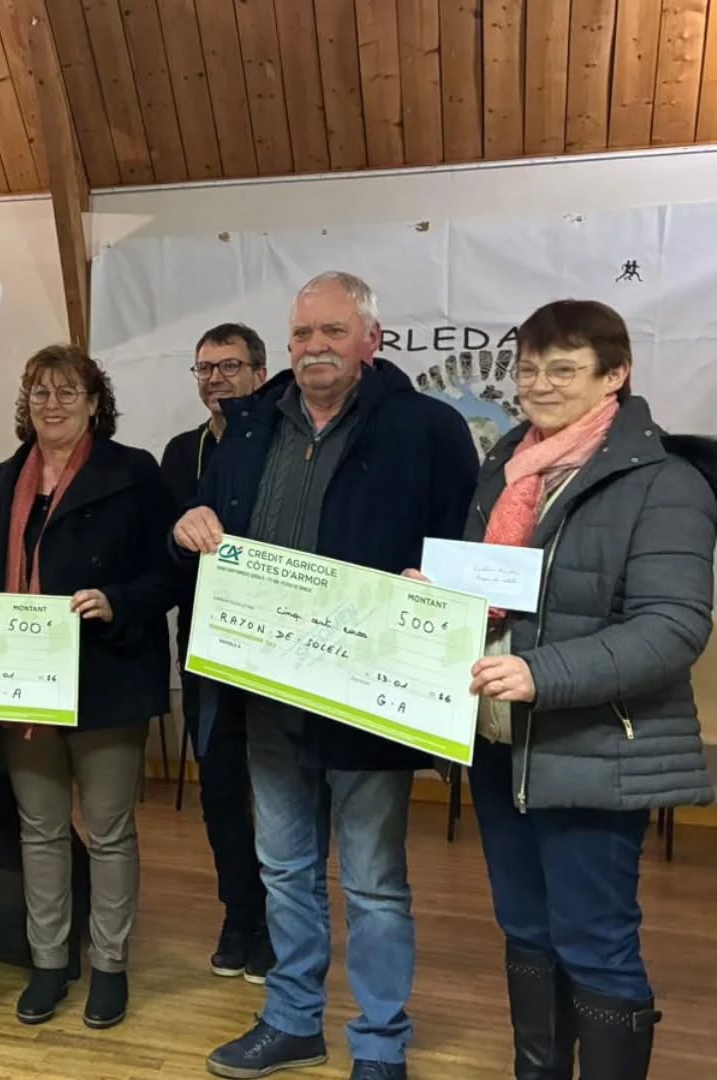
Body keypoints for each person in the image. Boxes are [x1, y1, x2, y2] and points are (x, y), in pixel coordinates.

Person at [175, 272, 477, 1080]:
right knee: (284, 869)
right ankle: (292, 1020)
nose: (315, 348)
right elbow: (206, 526)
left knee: (374, 882)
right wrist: (189, 522)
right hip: (263, 690)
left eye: (334, 332)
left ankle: (379, 1043)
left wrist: (437, 588)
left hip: (367, 696)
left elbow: (464, 551)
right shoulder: (248, 427)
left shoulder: (429, 428)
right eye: (303, 333)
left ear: (372, 339)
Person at [447, 300, 714, 1080]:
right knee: (526, 930)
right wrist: (435, 600)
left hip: (596, 751)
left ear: (615, 375)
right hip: (499, 742)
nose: (539, 385)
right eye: (529, 368)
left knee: (595, 941)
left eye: (563, 369)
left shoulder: (664, 482)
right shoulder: (507, 468)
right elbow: (497, 595)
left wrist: (542, 675)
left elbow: (672, 628)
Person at [0, 344, 181, 1030]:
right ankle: (48, 961)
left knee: (110, 830)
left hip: (107, 676)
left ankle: (111, 966)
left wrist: (117, 601)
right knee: (39, 830)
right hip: (22, 683)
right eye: (40, 392)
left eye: (68, 392)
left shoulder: (134, 473)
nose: (52, 404)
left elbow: (170, 575)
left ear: (95, 404)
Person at [159, 323, 273, 983]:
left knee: (282, 790)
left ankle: (278, 922)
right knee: (221, 786)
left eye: (230, 366)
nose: (216, 380)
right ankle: (239, 913)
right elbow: (165, 550)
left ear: (261, 373)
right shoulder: (183, 452)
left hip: (275, 645)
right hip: (204, 643)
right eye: (205, 368)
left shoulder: (284, 443)